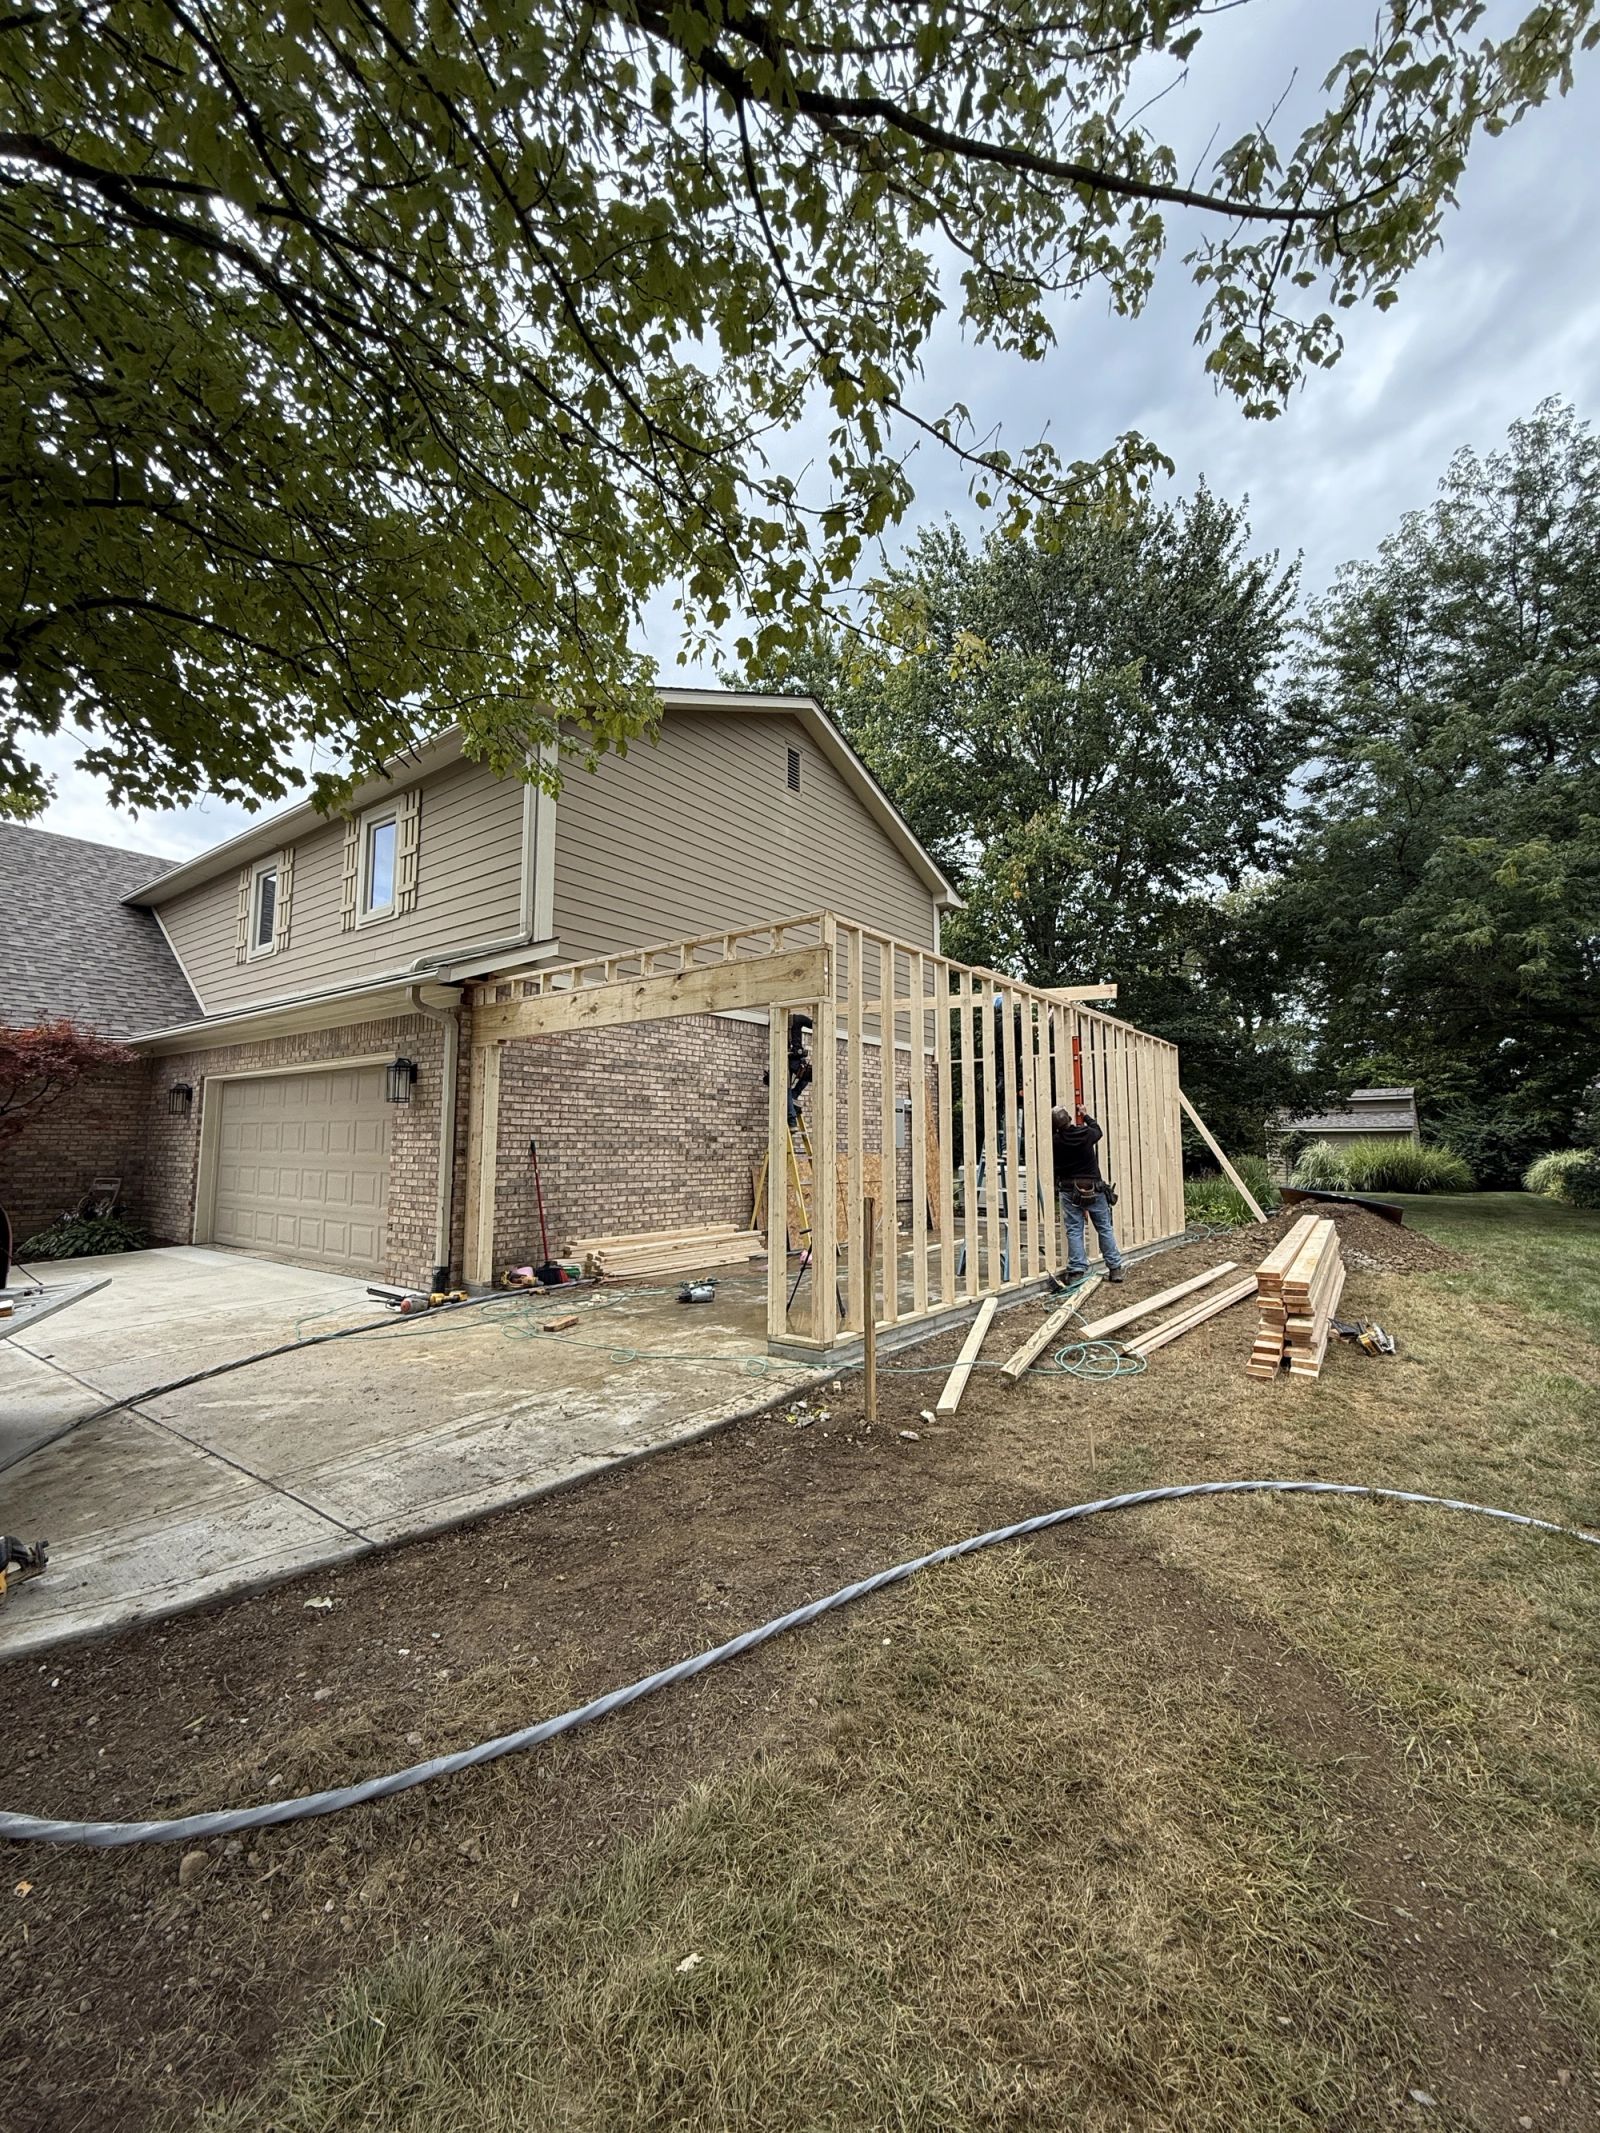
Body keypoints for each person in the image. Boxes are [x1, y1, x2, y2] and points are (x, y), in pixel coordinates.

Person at [1051, 1105, 1125, 1284]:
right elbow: (1098, 1131)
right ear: (1070, 1119)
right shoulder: (1085, 1134)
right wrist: (1085, 1115)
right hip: (1093, 1188)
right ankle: (1115, 1269)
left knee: (1074, 1229)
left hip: (1069, 1190)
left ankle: (1076, 1272)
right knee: (1104, 1227)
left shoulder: (1055, 1140)